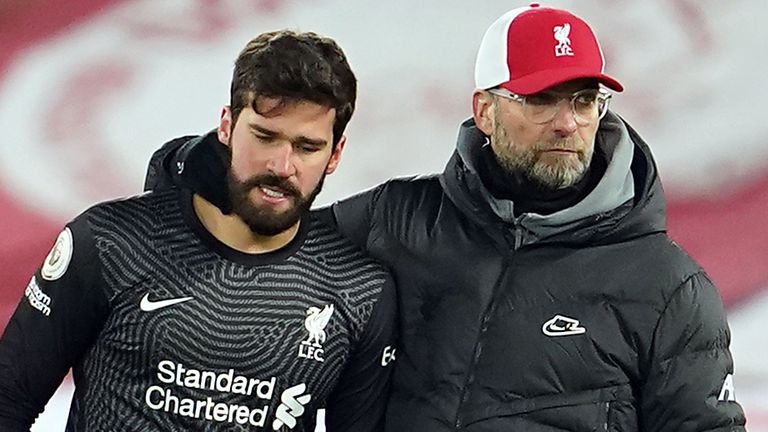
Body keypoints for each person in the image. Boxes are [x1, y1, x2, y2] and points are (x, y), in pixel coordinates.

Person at [143, 3, 747, 431]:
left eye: (584, 100)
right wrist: (197, 167)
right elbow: (250, 242)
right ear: (484, 111)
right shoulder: (398, 222)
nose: (567, 122)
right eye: (538, 99)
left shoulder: (668, 286)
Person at [0, 30, 397, 432]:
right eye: (264, 136)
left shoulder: (359, 292)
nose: (282, 166)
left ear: (336, 153)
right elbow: (9, 396)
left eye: (307, 147)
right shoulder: (110, 242)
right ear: (226, 126)